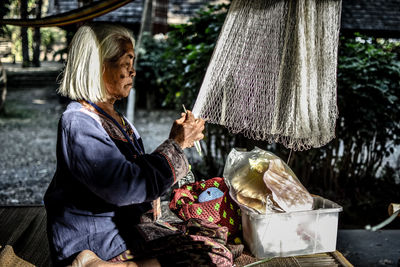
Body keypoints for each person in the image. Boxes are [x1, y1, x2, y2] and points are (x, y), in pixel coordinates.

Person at [44, 23, 206, 266]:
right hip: (95, 237)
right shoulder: (78, 121)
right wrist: (176, 144)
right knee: (202, 259)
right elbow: (124, 185)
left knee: (210, 244)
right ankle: (90, 262)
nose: (133, 72)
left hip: (121, 229)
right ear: (99, 68)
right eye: (126, 63)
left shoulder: (116, 120)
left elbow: (138, 172)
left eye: (133, 64)